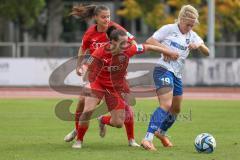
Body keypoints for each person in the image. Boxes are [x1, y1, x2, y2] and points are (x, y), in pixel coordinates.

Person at [72, 27, 179, 149]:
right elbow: (87, 64)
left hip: (115, 88)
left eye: (127, 42)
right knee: (87, 111)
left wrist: (167, 52)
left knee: (118, 123)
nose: (126, 45)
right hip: (98, 84)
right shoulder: (100, 52)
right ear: (112, 42)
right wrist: (82, 70)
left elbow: (148, 47)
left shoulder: (129, 49)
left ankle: (102, 120)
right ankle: (79, 141)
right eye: (122, 43)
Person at [64, 4, 139, 147]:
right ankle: (77, 132)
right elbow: (83, 48)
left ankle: (131, 139)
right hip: (96, 77)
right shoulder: (90, 33)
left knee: (127, 106)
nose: (107, 20)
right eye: (104, 17)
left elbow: (133, 42)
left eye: (109, 16)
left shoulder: (117, 29)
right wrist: (79, 65)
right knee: (82, 102)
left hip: (116, 78)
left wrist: (123, 57)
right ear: (96, 18)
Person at [141, 4, 210, 151]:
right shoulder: (169, 29)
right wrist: (166, 50)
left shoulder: (192, 35)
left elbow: (207, 52)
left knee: (176, 109)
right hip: (163, 69)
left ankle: (161, 132)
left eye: (192, 25)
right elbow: (150, 41)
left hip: (176, 74)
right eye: (187, 24)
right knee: (166, 105)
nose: (190, 28)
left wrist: (198, 46)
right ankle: (148, 139)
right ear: (181, 19)